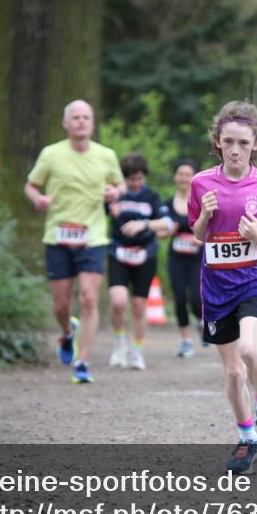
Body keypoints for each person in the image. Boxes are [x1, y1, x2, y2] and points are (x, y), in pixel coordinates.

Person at [188, 101, 257, 474]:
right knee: (234, 373)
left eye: (243, 143)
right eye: (228, 142)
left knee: (251, 350)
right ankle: (247, 438)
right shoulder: (201, 182)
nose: (235, 149)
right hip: (215, 287)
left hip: (252, 280)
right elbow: (198, 235)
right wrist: (204, 215)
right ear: (218, 143)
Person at [25, 100, 124, 384]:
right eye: (75, 117)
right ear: (65, 123)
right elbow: (31, 185)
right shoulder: (51, 154)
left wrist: (114, 192)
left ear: (92, 123)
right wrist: (38, 199)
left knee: (89, 297)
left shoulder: (106, 155)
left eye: (86, 117)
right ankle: (68, 332)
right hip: (57, 235)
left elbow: (119, 185)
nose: (81, 122)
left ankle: (83, 360)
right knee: (60, 304)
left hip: (92, 235)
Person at [106, 154, 174, 371]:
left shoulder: (151, 197)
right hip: (118, 253)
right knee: (118, 302)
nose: (136, 183)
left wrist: (143, 224)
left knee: (138, 306)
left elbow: (168, 223)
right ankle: (120, 343)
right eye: (131, 179)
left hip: (145, 255)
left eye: (139, 178)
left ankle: (136, 351)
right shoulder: (114, 196)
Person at [162, 159, 203, 358]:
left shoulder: (201, 202)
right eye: (181, 174)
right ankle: (186, 341)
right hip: (176, 257)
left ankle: (202, 322)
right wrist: (167, 232)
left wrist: (200, 240)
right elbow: (160, 232)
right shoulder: (167, 204)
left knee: (196, 298)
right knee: (179, 298)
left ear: (195, 178)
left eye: (188, 174)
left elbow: (213, 230)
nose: (184, 178)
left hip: (198, 257)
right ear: (175, 177)